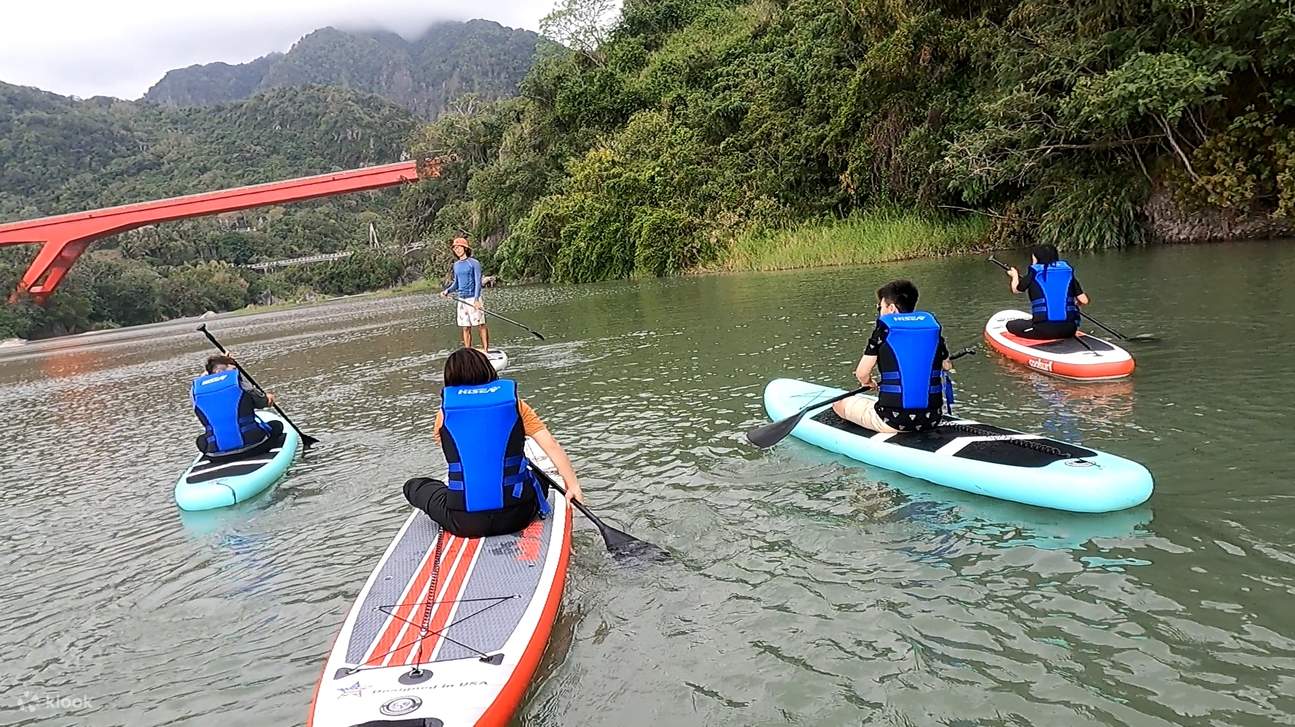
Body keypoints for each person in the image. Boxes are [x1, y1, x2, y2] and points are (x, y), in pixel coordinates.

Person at [404, 348, 584, 538]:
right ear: (488, 369)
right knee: (540, 479)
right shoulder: (515, 404)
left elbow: (449, 449)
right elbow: (551, 446)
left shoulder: (444, 414)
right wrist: (573, 486)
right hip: (519, 515)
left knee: (414, 486)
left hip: (465, 522)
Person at [832, 280, 954, 433]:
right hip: (933, 418)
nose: (879, 311)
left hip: (892, 420)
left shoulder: (883, 329)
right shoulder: (932, 328)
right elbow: (947, 365)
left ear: (891, 308)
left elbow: (862, 373)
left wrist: (869, 383)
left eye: (880, 307)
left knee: (839, 403)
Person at [191, 354, 283, 458]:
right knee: (277, 425)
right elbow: (263, 403)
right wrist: (267, 397)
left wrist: (219, 363)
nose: (235, 371)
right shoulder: (238, 381)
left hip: (216, 455)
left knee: (201, 441)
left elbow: (211, 375)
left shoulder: (196, 391)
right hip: (255, 446)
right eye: (233, 368)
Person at [1004, 243, 1090, 339]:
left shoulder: (1034, 272)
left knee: (1010, 325)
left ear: (1036, 258)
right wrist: (1075, 304)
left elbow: (1016, 290)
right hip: (1070, 330)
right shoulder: (1067, 273)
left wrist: (1015, 275)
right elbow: (1084, 300)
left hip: (1043, 331)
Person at [439, 237, 490, 351]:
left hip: (473, 298)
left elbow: (478, 282)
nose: (457, 250)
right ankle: (468, 352)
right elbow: (456, 283)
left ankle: (486, 350)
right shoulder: (456, 265)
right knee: (465, 327)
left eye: (459, 247)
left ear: (465, 248)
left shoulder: (474, 263)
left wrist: (477, 299)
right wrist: (447, 291)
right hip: (462, 299)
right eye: (455, 248)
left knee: (480, 325)